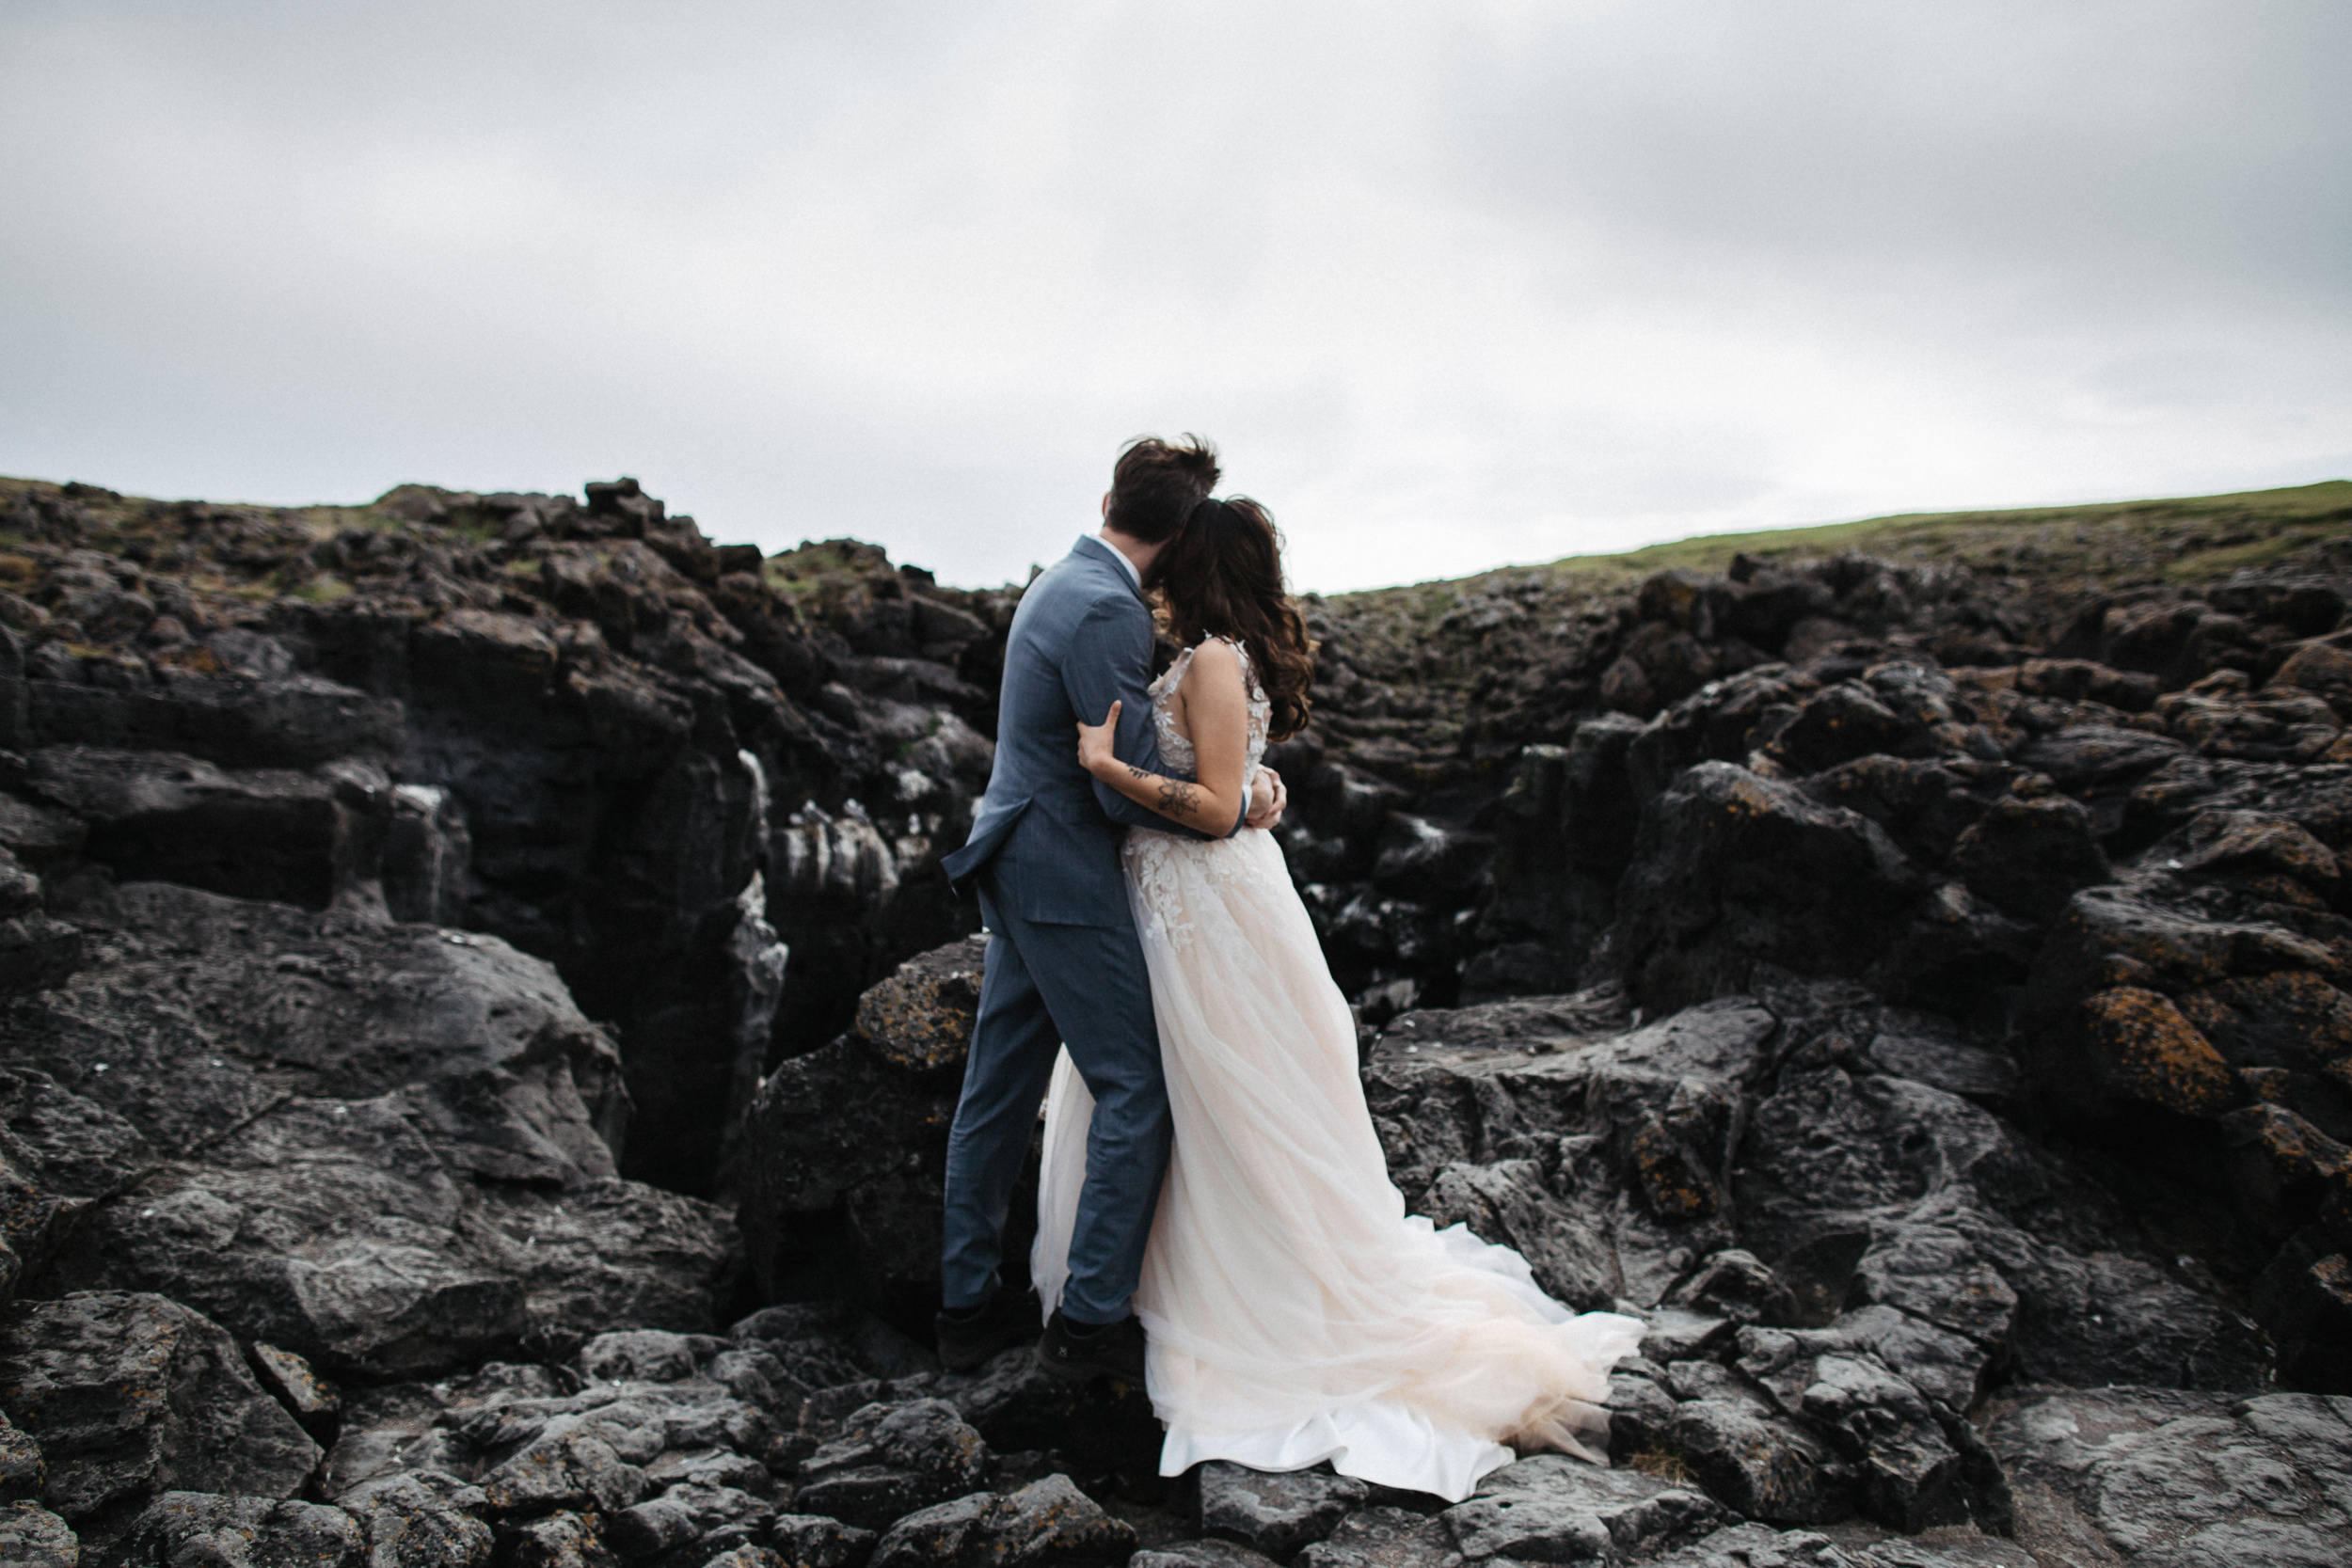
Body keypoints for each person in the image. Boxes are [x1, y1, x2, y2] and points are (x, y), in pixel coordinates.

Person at [1035, 481, 1643, 1502]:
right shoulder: (1198, 654)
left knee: (1234, 1108)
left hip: (1209, 908)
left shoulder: (1216, 658)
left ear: (1196, 559)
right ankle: (1156, 1285)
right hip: (1179, 902)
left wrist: (1112, 769)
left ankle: (1256, 1301)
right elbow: (1245, 787)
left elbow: (1219, 802)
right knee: (1195, 1102)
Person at [935, 436, 1289, 1383]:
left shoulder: (1062, 578)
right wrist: (1239, 795)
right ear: (1179, 533)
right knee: (1135, 1087)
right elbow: (1116, 783)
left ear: (1108, 500)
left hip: (1015, 848)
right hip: (1058, 870)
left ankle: (967, 1302)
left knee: (999, 1086)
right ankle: (1088, 1327)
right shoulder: (1105, 609)